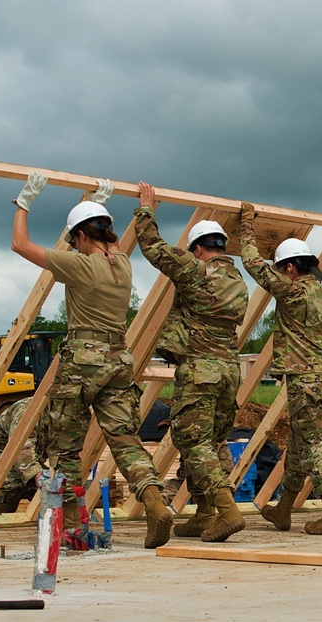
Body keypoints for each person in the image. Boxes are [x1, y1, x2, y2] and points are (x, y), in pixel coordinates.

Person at [10, 172, 173, 549]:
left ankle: (70, 521)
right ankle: (153, 501)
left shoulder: (80, 265)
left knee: (65, 445)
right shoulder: (123, 264)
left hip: (83, 359)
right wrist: (99, 204)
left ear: (81, 235)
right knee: (125, 439)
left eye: (74, 239)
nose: (74, 245)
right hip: (119, 357)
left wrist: (23, 203)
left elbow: (20, 244)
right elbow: (103, 238)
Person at [135, 182, 249, 541]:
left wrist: (146, 210)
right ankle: (204, 512)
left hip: (200, 370)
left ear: (198, 249)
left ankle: (227, 510)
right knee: (210, 442)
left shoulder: (196, 270)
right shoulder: (238, 281)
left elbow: (152, 247)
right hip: (230, 372)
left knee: (193, 441)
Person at [238, 202, 322, 535]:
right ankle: (283, 510)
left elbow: (253, 264)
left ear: (291, 269)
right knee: (298, 446)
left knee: (310, 446)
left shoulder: (293, 291)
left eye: (282, 269)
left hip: (306, 381)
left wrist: (247, 225)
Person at [0, 397, 47, 514]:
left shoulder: (64, 416)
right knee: (11, 483)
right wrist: (39, 477)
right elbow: (21, 448)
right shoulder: (27, 410)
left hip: (25, 465)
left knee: (59, 488)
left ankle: (49, 526)